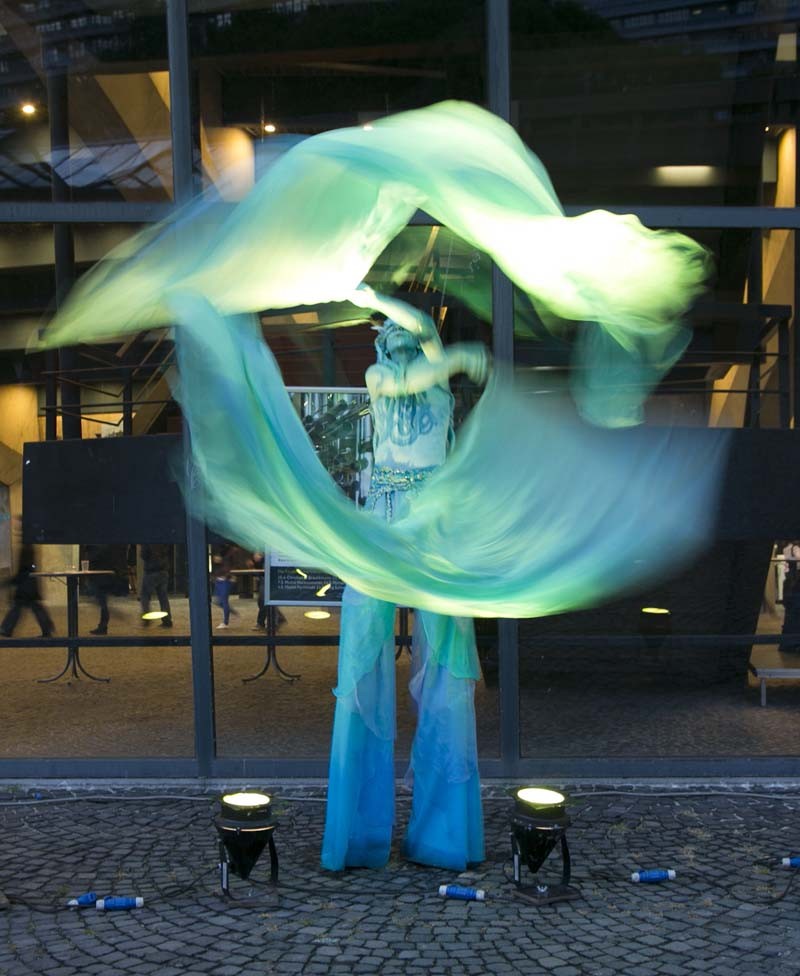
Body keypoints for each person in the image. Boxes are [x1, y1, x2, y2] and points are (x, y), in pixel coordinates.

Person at [321, 315, 490, 872]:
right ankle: (357, 836)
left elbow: (424, 342)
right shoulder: (379, 377)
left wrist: (448, 348)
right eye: (386, 330)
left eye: (406, 332)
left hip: (433, 537)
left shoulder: (437, 383)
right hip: (382, 529)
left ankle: (443, 836)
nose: (396, 336)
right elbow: (399, 379)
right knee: (358, 667)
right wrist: (369, 296)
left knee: (448, 672)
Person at [0, 544, 54, 638]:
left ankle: (7, 628)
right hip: (29, 583)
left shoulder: (26, 549)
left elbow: (24, 569)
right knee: (33, 607)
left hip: (26, 584)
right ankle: (47, 628)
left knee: (20, 606)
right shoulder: (29, 547)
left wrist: (11, 581)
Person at [140, 543, 173, 627]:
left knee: (145, 596)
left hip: (151, 571)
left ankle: (146, 619)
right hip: (163, 570)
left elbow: (143, 555)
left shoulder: (147, 540)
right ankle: (167, 620)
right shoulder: (163, 540)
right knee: (163, 597)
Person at [212, 543, 239, 629]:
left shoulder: (232, 552)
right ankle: (231, 612)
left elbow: (234, 565)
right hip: (219, 578)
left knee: (223, 600)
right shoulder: (219, 550)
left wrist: (230, 575)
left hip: (226, 579)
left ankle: (225, 622)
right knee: (217, 600)